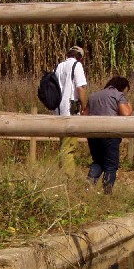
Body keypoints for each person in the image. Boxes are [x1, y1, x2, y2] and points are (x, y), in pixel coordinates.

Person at [85, 76, 133, 194]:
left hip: (93, 134)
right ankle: (107, 193)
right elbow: (125, 113)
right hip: (110, 134)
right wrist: (130, 106)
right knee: (111, 165)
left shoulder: (93, 96)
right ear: (121, 87)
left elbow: (85, 114)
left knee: (97, 161)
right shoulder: (118, 95)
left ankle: (87, 188)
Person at [52, 46, 88, 176]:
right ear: (80, 57)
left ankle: (61, 172)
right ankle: (68, 177)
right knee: (69, 147)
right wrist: (84, 106)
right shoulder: (76, 66)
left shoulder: (58, 67)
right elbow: (81, 88)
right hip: (70, 111)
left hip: (58, 111)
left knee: (63, 144)